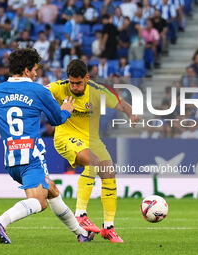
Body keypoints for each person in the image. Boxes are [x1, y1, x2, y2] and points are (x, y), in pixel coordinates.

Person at [0, 48, 94, 244]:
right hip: (32, 156)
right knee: (40, 202)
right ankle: (1, 221)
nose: (37, 73)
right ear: (27, 70)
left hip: (11, 159)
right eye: (35, 69)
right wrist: (67, 111)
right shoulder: (38, 90)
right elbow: (56, 120)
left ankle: (82, 234)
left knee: (52, 189)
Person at [47, 59, 139, 243]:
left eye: (78, 83)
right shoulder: (58, 87)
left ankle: (108, 227)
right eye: (71, 82)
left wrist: (131, 114)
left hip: (92, 139)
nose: (74, 87)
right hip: (66, 136)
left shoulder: (98, 91)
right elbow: (38, 92)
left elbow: (121, 104)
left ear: (87, 78)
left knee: (109, 174)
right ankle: (80, 214)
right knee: (93, 161)